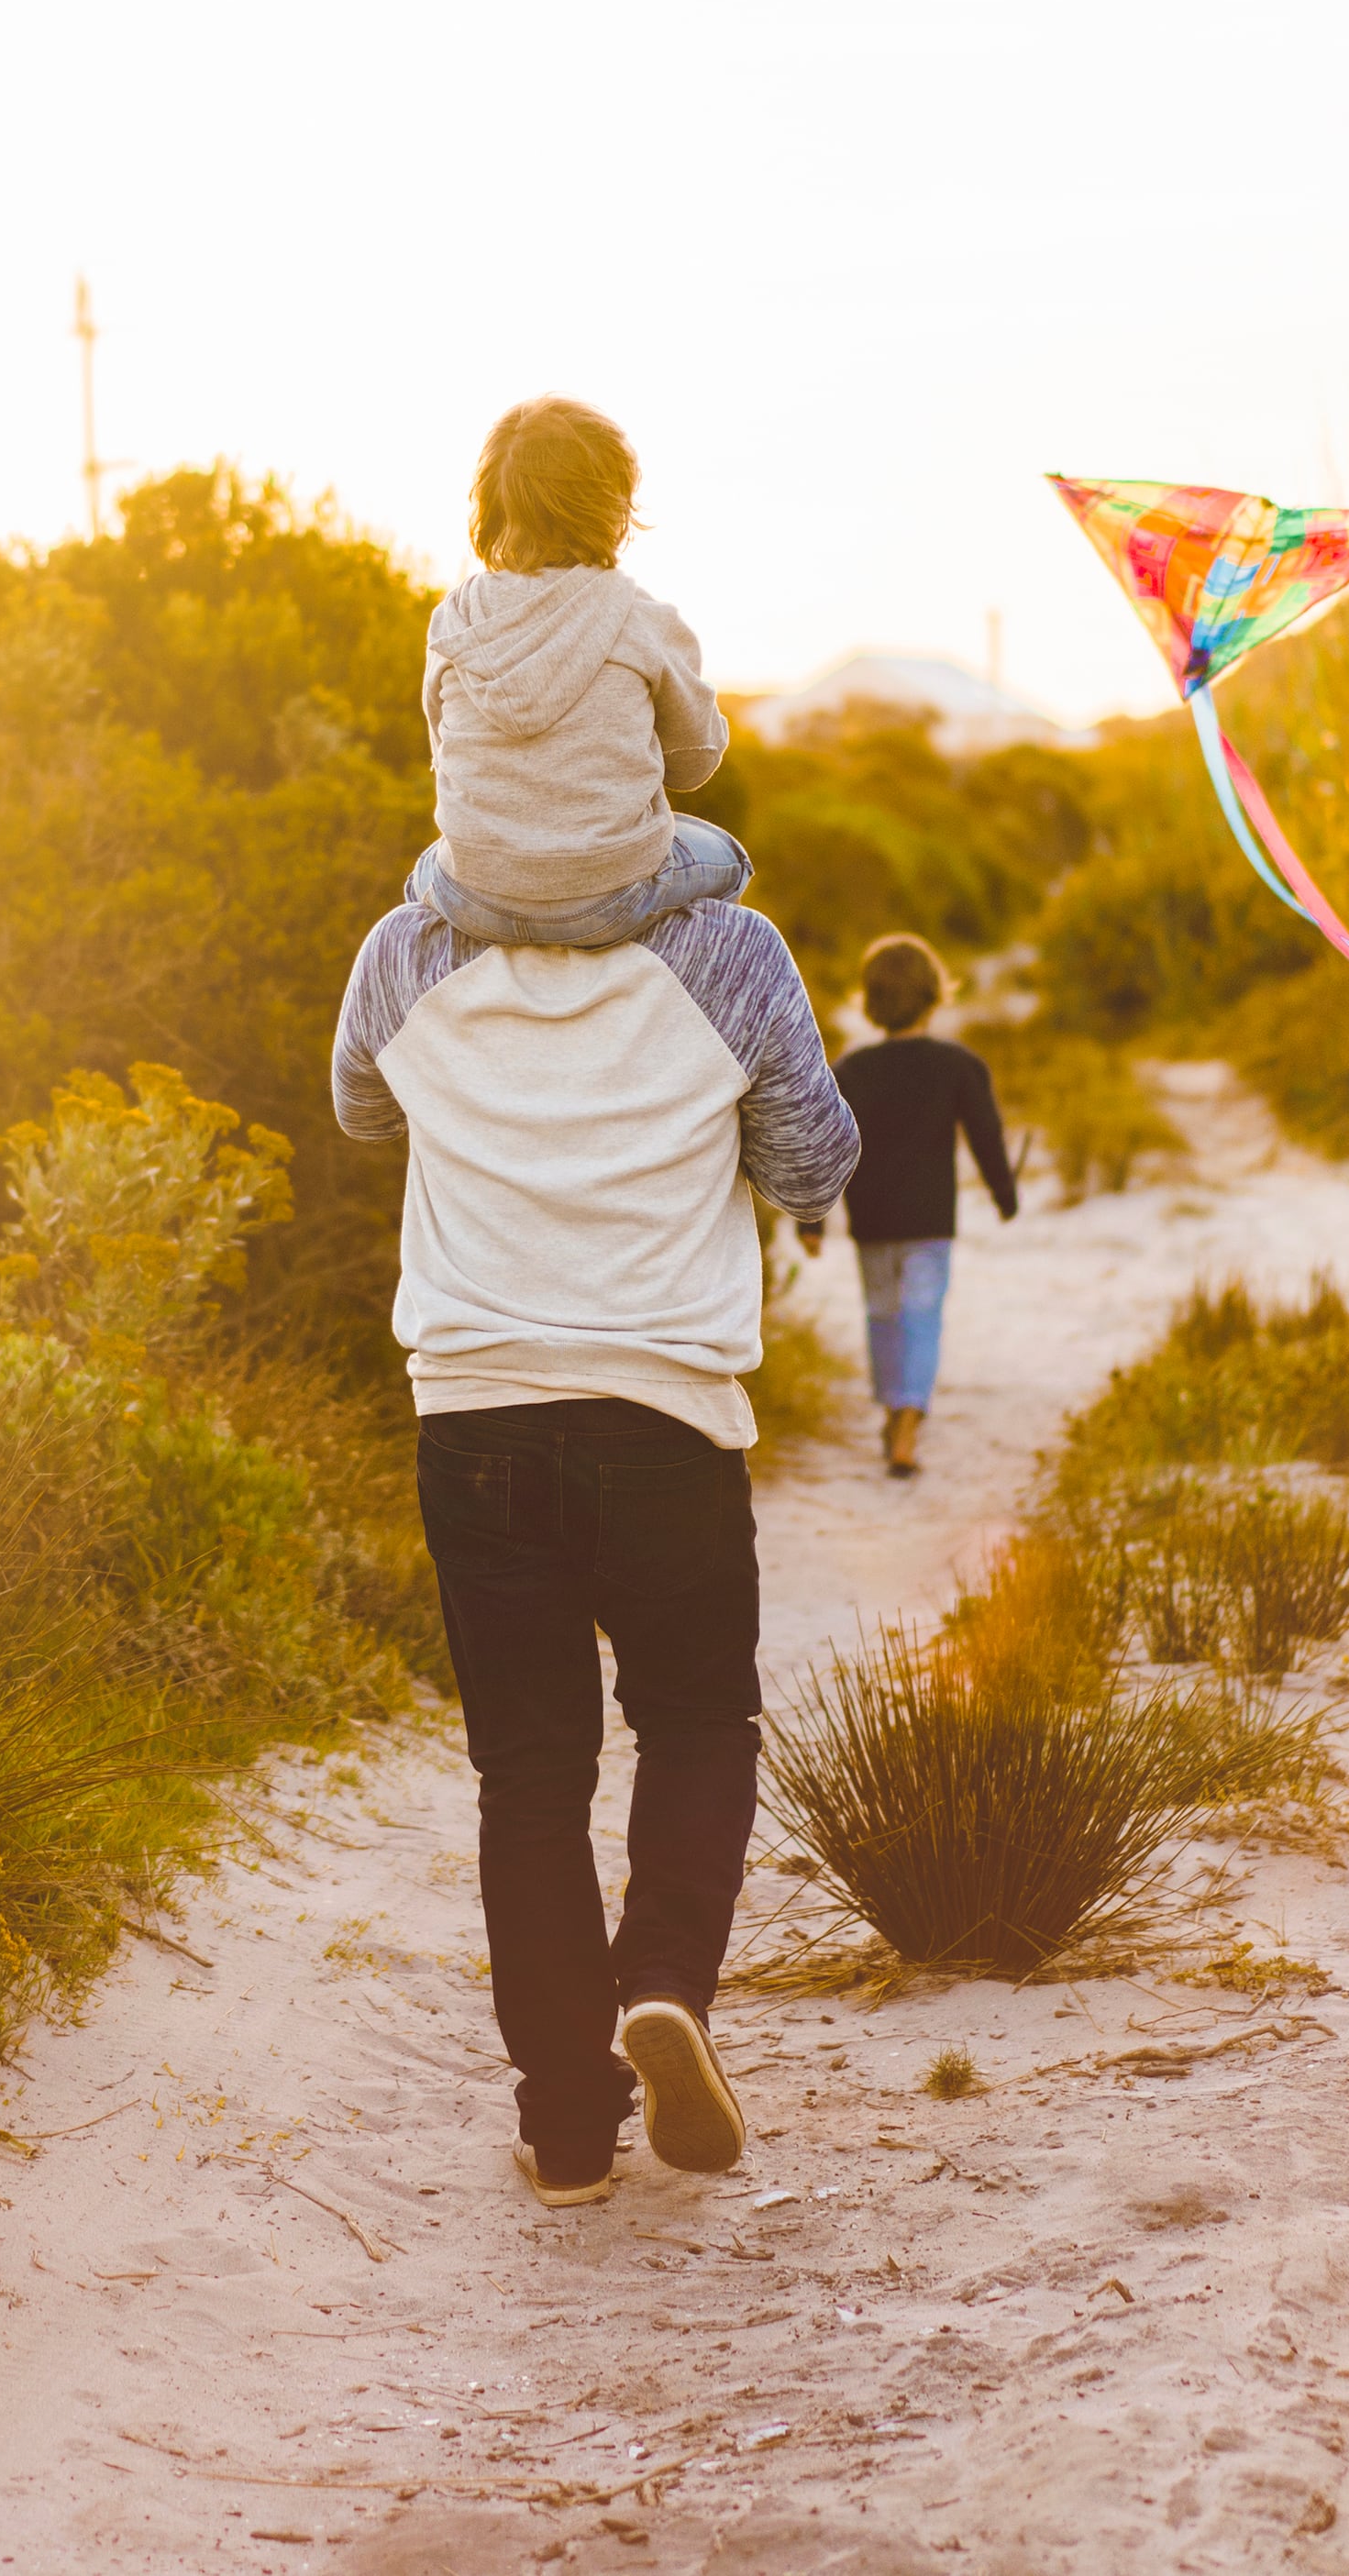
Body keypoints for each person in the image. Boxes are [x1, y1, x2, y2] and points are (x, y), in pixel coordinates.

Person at [331, 539, 860, 2205]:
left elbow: (361, 1112)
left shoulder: (402, 959)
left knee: (529, 1771)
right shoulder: (731, 955)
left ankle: (566, 2121)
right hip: (663, 1413)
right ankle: (662, 1990)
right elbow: (817, 1162)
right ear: (643, 726)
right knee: (701, 1722)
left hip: (474, 1415)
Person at [404, 396, 754, 947]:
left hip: (474, 896)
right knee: (731, 858)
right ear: (611, 506)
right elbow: (694, 764)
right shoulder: (642, 618)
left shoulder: (455, 619)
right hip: (610, 900)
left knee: (425, 869)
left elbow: (441, 755)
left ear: (493, 503)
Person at [793, 933, 1016, 1476]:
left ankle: (894, 1409)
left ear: (870, 1003)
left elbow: (823, 1145)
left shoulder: (850, 1070)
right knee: (921, 1316)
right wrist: (1005, 1195)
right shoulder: (959, 1065)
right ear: (934, 994)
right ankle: (910, 1423)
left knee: (883, 1315)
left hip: (871, 1221)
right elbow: (986, 1136)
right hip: (929, 1220)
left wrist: (812, 1218)